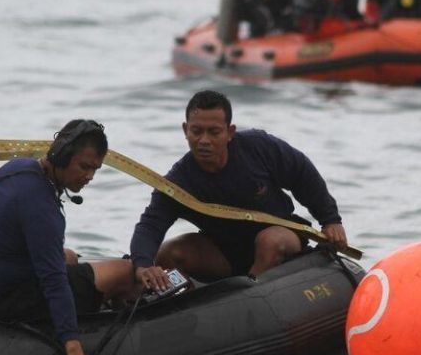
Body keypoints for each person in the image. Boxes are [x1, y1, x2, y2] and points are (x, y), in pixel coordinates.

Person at [0, 120, 162, 355]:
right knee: (123, 271)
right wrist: (74, 349)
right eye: (84, 167)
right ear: (61, 156)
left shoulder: (19, 169)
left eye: (95, 169)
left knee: (68, 256)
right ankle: (117, 312)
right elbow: (54, 282)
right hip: (9, 302)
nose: (89, 176)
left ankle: (102, 302)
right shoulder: (40, 206)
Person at [130, 91, 348, 281]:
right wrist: (143, 265)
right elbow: (150, 225)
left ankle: (252, 296)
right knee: (169, 252)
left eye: (214, 132)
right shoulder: (178, 182)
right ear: (185, 130)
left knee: (269, 242)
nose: (204, 140)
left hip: (281, 236)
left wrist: (330, 220)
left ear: (230, 132)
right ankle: (187, 303)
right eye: (196, 131)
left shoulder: (258, 147)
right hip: (224, 253)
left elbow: (302, 173)